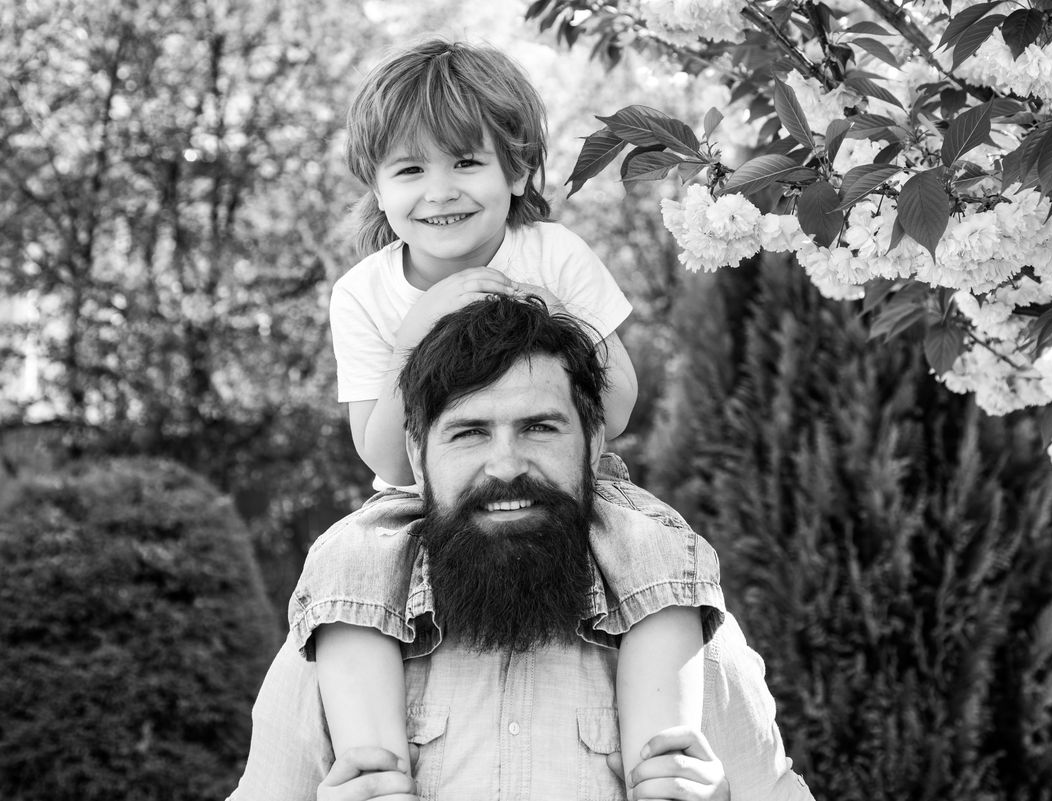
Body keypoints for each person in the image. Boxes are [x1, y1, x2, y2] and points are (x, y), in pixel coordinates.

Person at [312, 39, 718, 789]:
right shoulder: (363, 294)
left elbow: (617, 410)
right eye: (410, 170)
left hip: (574, 481)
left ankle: (662, 754)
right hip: (425, 498)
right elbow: (387, 460)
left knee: (661, 548)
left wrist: (542, 309)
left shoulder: (552, 252)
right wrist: (419, 328)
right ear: (375, 186)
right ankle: (374, 765)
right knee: (347, 560)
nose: (440, 191)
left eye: (466, 162)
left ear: (519, 168)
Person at [228, 296, 816, 800]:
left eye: (539, 428)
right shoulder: (340, 630)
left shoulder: (686, 635)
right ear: (417, 457)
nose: (506, 466)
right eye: (469, 433)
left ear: (592, 443)